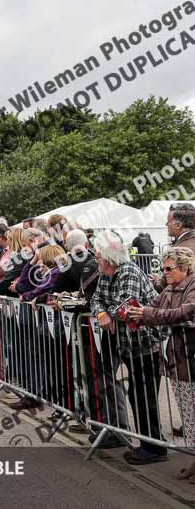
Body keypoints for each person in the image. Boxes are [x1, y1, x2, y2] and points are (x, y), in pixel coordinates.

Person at [90, 230, 166, 465]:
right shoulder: (106, 273)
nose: (95, 257)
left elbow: (126, 307)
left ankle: (154, 447)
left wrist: (108, 313)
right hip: (127, 344)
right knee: (137, 394)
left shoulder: (128, 271)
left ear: (106, 257)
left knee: (144, 396)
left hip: (144, 344)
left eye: (97, 254)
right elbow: (96, 299)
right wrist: (101, 314)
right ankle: (148, 443)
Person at [127, 247, 195, 478]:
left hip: (190, 357)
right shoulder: (168, 288)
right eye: (163, 268)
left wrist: (146, 314)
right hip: (178, 360)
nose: (164, 273)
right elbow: (154, 308)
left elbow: (184, 312)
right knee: (188, 415)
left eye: (169, 268)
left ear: (185, 267)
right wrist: (136, 312)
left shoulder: (192, 286)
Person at [156, 204, 195, 291]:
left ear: (178, 225)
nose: (166, 224)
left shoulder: (180, 250)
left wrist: (154, 282)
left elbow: (164, 286)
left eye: (168, 222)